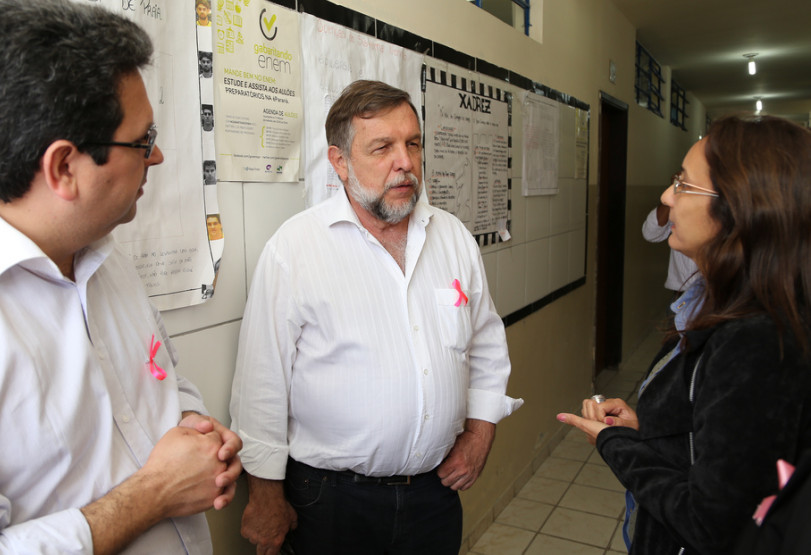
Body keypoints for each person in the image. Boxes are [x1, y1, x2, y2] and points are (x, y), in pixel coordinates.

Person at [0, 1, 241, 553]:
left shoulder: (104, 255)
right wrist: (154, 494)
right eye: (142, 141)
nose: (158, 158)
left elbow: (159, 381)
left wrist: (194, 423)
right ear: (62, 168)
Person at [230, 80, 523, 555]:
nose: (404, 161)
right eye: (383, 147)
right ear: (340, 162)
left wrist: (480, 431)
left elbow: (487, 344)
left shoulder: (453, 239)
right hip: (329, 502)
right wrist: (264, 496)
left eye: (412, 143)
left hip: (433, 495)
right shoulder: (296, 249)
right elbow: (261, 382)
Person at [558, 115, 811, 554]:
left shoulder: (756, 340)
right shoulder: (723, 305)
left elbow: (711, 523)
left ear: (741, 207)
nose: (666, 197)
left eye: (684, 184)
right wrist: (650, 430)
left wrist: (616, 443)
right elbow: (723, 449)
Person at [642, 200, 699, 294]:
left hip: (721, 290)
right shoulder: (676, 199)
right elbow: (651, 234)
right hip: (683, 291)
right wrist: (673, 195)